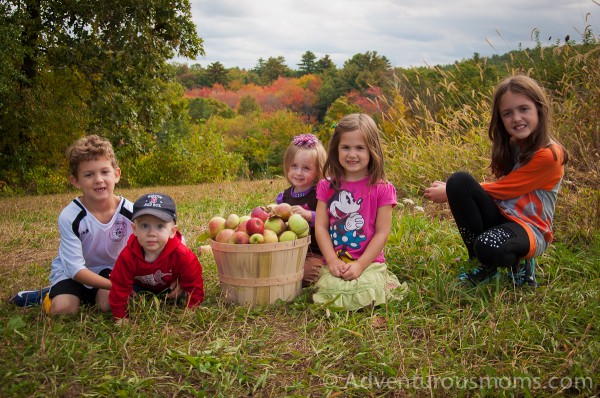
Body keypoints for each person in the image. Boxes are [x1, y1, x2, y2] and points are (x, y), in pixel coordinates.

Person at [424, 75, 568, 287]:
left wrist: (447, 194)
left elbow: (506, 189)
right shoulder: (513, 144)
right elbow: (499, 186)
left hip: (529, 228)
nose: (516, 118)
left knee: (487, 245)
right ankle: (485, 268)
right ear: (500, 118)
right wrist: (454, 190)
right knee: (459, 181)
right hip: (503, 216)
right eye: (507, 113)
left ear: (539, 109)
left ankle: (522, 264)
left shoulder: (550, 154)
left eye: (524, 109)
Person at [312, 113, 404, 310]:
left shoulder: (381, 188)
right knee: (332, 290)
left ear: (372, 150)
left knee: (369, 287)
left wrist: (361, 265)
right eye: (345, 147)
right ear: (336, 149)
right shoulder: (327, 186)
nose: (351, 154)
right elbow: (320, 226)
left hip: (369, 262)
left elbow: (382, 232)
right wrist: (332, 260)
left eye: (360, 148)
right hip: (337, 260)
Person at [46, 135, 134, 316]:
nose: (98, 179)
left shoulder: (132, 211)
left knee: (109, 305)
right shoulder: (70, 216)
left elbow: (164, 239)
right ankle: (46, 296)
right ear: (75, 181)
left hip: (111, 270)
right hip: (73, 273)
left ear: (116, 174)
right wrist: (117, 285)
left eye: (104, 172)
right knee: (63, 310)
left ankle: (91, 295)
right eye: (89, 174)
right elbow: (75, 269)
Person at [109, 193, 204, 322]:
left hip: (170, 290)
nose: (151, 233)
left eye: (160, 226)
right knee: (127, 295)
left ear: (172, 231)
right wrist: (120, 317)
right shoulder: (127, 256)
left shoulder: (182, 254)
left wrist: (192, 308)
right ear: (134, 229)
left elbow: (194, 282)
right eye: (144, 226)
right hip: (140, 290)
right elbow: (119, 285)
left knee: (182, 292)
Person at [275, 133, 327, 286]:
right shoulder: (283, 197)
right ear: (287, 166)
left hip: (315, 252)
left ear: (318, 171)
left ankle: (324, 269)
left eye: (306, 168)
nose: (298, 172)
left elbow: (332, 219)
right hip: (289, 251)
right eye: (294, 166)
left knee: (307, 273)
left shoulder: (320, 194)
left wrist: (309, 215)